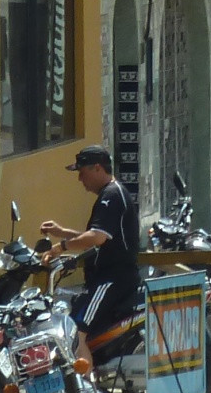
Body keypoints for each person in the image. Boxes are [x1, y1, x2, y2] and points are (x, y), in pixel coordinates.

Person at [41, 145, 141, 343]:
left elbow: (96, 238)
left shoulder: (111, 195)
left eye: (82, 172)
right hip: (105, 278)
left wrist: (60, 247)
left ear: (97, 168)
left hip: (112, 280)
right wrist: (62, 232)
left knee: (76, 332)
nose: (80, 179)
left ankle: (83, 374)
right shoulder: (111, 194)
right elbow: (98, 239)